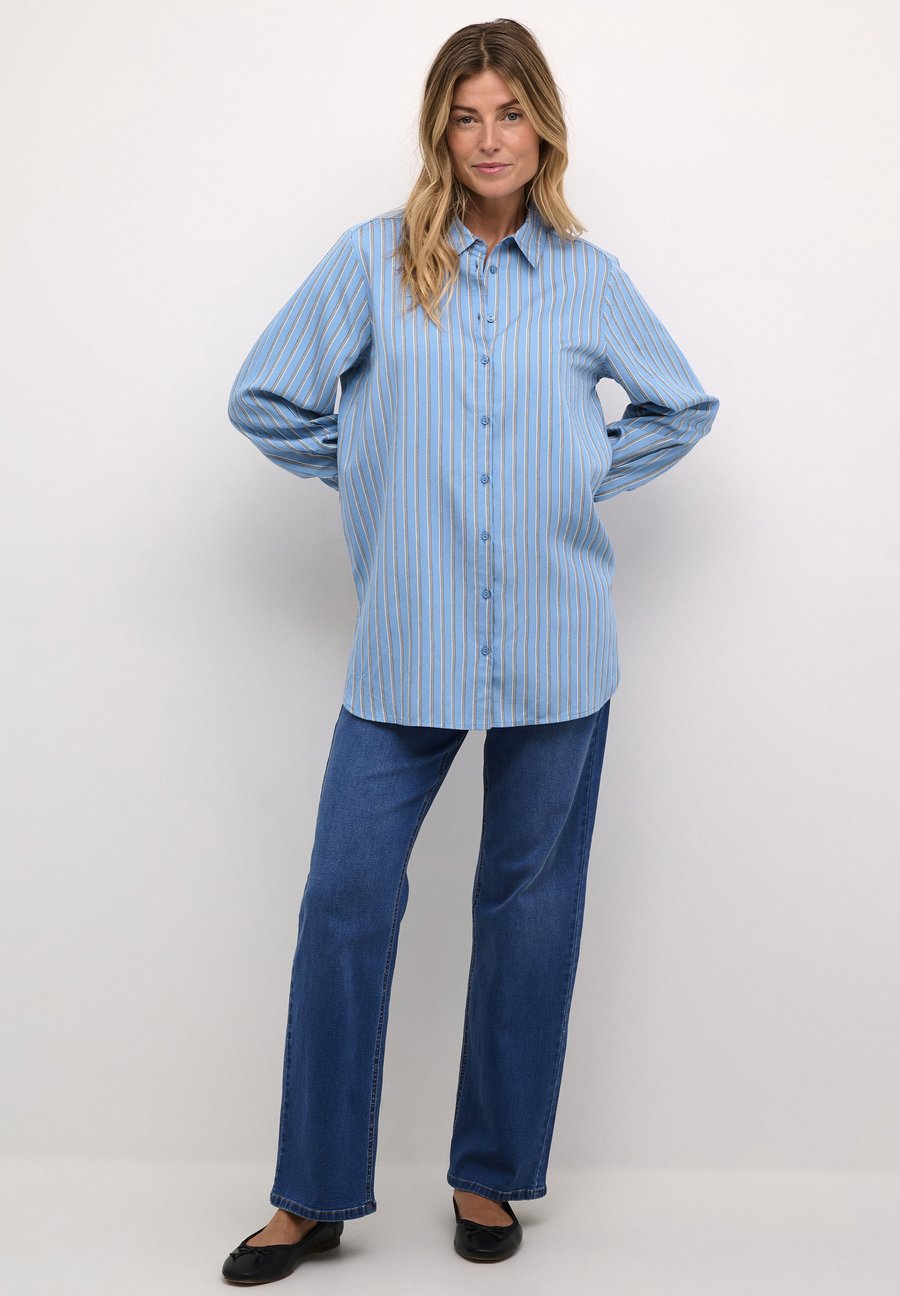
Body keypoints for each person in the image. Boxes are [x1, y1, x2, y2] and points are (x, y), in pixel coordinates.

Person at [221, 17, 719, 1283]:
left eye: (510, 113)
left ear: (543, 126)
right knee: (345, 902)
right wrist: (371, 473)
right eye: (466, 115)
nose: (489, 138)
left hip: (559, 644)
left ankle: (488, 1174)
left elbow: (681, 406)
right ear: (439, 130)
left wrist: (580, 472)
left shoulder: (590, 280)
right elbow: (264, 397)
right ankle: (312, 1194)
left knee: (528, 912)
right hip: (409, 642)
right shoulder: (371, 262)